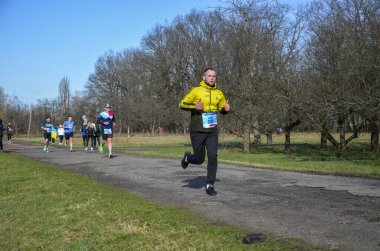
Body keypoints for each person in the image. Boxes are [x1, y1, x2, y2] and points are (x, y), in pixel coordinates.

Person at [179, 67, 231, 196]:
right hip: (197, 129)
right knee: (199, 158)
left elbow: (222, 109)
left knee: (213, 156)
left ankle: (209, 184)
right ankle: (187, 157)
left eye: (214, 76)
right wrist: (194, 107)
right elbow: (182, 104)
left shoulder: (219, 92)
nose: (212, 78)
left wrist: (226, 109)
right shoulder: (196, 91)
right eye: (209, 76)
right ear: (204, 78)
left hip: (212, 130)